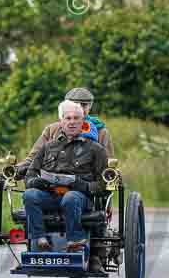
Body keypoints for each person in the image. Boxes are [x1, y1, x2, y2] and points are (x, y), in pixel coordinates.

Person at [24, 101, 108, 264]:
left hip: (79, 198)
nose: (72, 122)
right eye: (68, 118)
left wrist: (82, 186)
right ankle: (39, 239)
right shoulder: (48, 147)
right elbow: (30, 175)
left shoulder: (96, 150)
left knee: (71, 197)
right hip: (50, 194)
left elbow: (103, 185)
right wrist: (37, 182)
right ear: (61, 122)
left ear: (83, 122)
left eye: (76, 118)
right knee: (30, 195)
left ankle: (74, 241)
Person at [16, 87, 114, 178]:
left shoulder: (101, 132)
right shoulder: (52, 129)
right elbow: (33, 158)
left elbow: (108, 165)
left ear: (90, 107)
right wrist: (15, 170)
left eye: (83, 105)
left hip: (85, 187)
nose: (78, 108)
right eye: (74, 104)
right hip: (52, 184)